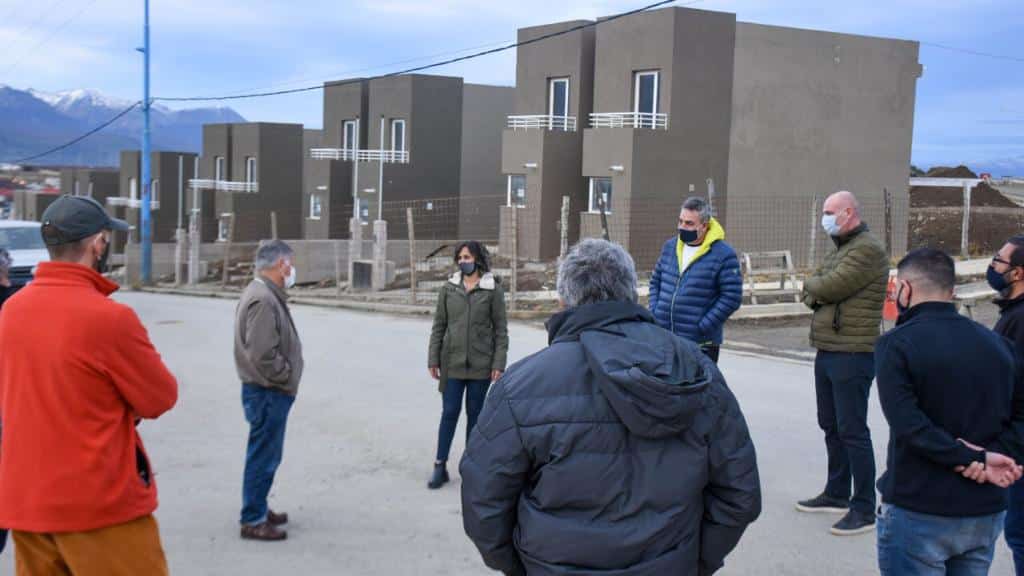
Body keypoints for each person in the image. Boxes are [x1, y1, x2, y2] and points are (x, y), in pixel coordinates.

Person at [460, 239, 761, 575]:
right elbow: (739, 492)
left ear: (563, 299)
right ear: (632, 293)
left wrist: (520, 566)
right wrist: (691, 561)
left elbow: (483, 500)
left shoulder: (520, 386)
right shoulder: (697, 369)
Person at [0, 195, 178, 575]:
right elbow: (159, 398)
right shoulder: (108, 318)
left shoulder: (11, 312)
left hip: (27, 500)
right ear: (98, 243)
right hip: (98, 502)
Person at [875, 247, 1024, 574]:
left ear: (906, 289)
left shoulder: (896, 345)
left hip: (920, 507)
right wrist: (990, 457)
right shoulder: (997, 344)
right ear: (951, 291)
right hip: (983, 510)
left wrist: (970, 459)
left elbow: (910, 425)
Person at [797, 190, 888, 536]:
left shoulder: (866, 248)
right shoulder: (841, 247)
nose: (825, 217)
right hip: (829, 347)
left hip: (853, 351)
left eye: (830, 211)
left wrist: (814, 286)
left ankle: (863, 506)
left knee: (852, 429)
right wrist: (814, 286)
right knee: (831, 424)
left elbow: (830, 286)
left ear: (849, 212)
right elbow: (815, 285)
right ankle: (837, 492)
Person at [235, 240, 304, 541]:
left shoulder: (266, 293)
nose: (292, 269)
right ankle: (253, 518)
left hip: (268, 391)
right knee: (263, 455)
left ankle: (258, 506)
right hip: (267, 391)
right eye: (290, 263)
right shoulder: (263, 298)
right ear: (280, 265)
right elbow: (262, 353)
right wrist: (284, 375)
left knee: (266, 453)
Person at [427, 240, 508, 489]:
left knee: (475, 417)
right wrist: (433, 358)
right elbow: (439, 326)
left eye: (468, 257)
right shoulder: (448, 289)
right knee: (449, 413)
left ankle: (472, 469)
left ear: (478, 259)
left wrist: (498, 362)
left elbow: (500, 331)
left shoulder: (492, 289)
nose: (464, 261)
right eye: (460, 258)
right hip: (451, 363)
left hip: (481, 365)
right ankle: (440, 466)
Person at [649, 196, 742, 363]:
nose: (682, 227)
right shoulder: (670, 247)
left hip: (700, 344)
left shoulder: (723, 254)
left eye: (689, 223)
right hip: (665, 337)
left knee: (697, 388)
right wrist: (655, 311)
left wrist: (703, 326)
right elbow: (655, 281)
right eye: (680, 221)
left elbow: (732, 297)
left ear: (704, 226)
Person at [990, 235, 1024, 575]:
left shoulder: (1020, 319)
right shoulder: (1013, 313)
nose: (993, 266)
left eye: (999, 260)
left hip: (1019, 441)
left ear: (1017, 273)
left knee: (1020, 533)